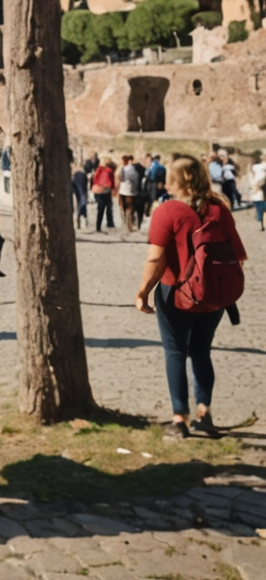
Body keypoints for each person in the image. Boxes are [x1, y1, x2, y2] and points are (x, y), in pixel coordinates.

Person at [137, 153, 247, 440]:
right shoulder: (218, 208)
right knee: (201, 352)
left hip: (175, 293)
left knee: (175, 352)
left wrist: (142, 293)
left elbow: (155, 260)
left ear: (178, 179)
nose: (165, 181)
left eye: (169, 176)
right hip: (214, 296)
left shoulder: (167, 211)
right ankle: (204, 414)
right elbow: (239, 255)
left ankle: (179, 419)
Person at [118, 154, 143, 234]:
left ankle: (125, 224)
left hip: (122, 190)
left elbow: (119, 177)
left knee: (123, 208)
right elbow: (135, 180)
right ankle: (129, 225)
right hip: (130, 191)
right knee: (130, 208)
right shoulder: (133, 169)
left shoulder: (123, 169)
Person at [92, 157, 118, 233]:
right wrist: (113, 189)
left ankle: (98, 226)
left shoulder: (99, 169)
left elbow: (95, 178)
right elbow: (111, 182)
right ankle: (110, 223)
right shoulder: (110, 171)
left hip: (98, 190)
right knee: (108, 208)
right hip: (106, 191)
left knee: (100, 209)